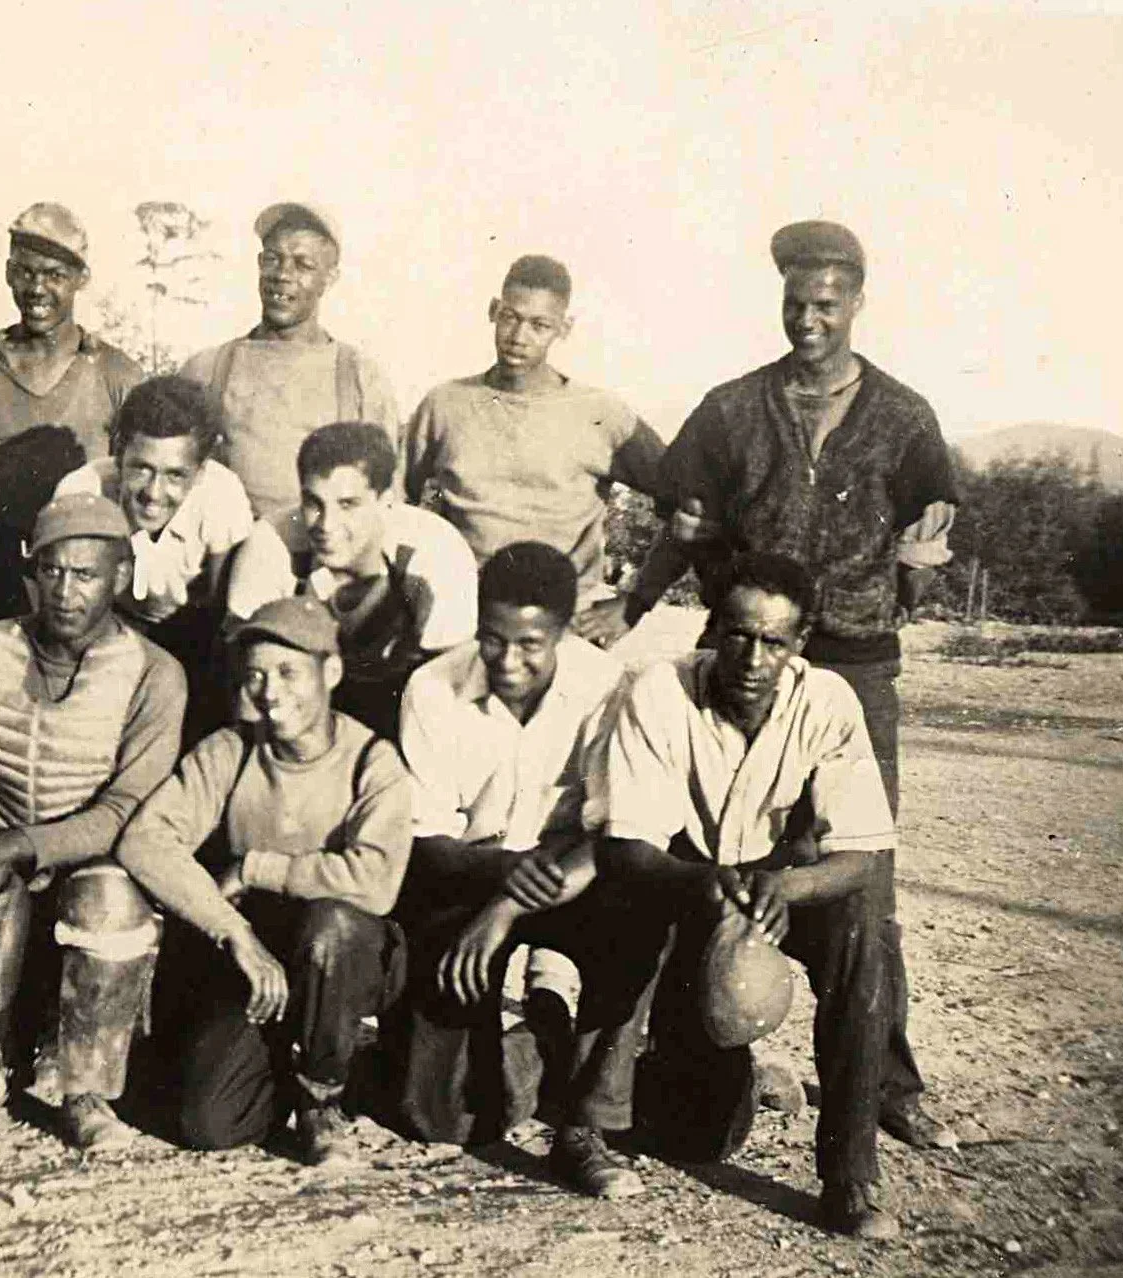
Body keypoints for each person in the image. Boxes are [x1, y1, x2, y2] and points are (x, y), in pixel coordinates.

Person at [622, 220, 961, 1153]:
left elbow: (926, 544)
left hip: (854, 658)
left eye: (827, 304)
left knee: (858, 878)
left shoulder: (905, 416)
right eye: (794, 303)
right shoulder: (732, 409)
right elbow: (683, 524)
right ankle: (677, 1054)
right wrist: (634, 603)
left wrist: (912, 568)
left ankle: (882, 1080)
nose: (808, 320)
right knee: (714, 852)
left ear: (857, 302)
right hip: (742, 655)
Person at [594, 552, 900, 1238]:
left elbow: (860, 852)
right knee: (698, 1135)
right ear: (712, 628)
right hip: (688, 882)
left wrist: (788, 886)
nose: (752, 659)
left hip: (778, 885)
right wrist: (700, 884)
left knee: (861, 928)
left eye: (773, 642)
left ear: (800, 644)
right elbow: (627, 844)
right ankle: (593, 1122)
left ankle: (850, 1172)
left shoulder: (827, 700)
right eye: (737, 634)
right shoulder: (660, 689)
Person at [383, 541, 660, 1198]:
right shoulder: (431, 687)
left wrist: (508, 908)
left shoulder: (608, 689)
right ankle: (540, 1040)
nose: (509, 662)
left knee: (636, 912)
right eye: (492, 639)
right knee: (443, 1120)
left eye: (531, 644)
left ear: (564, 631)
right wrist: (500, 884)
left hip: (570, 880)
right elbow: (428, 841)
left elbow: (616, 833)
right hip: (467, 874)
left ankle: (586, 1120)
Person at [0, 493, 187, 1151]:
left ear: (119, 577)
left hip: (87, 864)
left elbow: (125, 813)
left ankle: (85, 1090)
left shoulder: (154, 673)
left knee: (109, 898)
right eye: (52, 571)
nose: (65, 592)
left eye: (86, 575)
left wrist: (20, 845)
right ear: (32, 570)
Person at [115, 597, 412, 1165]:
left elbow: (375, 883)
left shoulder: (372, 761)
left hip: (347, 957)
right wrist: (234, 934)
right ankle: (286, 1061)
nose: (270, 692)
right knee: (209, 1123)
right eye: (255, 675)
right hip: (261, 959)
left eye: (287, 673)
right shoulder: (232, 750)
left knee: (334, 927)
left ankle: (322, 1095)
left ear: (331, 672)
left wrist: (256, 868)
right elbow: (145, 841)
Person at [0, 202, 146, 746]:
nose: (37, 288)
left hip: (73, 567)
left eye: (54, 275)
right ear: (7, 272)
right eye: (24, 271)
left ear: (80, 280)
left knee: (71, 723)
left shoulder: (116, 373)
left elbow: (130, 486)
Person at [402, 255, 668, 644]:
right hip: (460, 614)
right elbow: (392, 501)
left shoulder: (601, 414)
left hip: (563, 622)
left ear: (564, 327)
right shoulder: (445, 404)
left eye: (539, 325)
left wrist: (635, 603)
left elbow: (685, 497)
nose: (519, 336)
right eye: (510, 317)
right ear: (493, 311)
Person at [225, 422, 477, 740]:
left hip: (404, 717)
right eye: (313, 503)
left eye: (347, 505)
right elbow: (248, 691)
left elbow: (452, 689)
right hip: (300, 716)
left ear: (386, 500)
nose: (327, 525)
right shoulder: (272, 540)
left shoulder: (436, 550)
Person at [56, 375, 256, 746]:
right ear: (118, 453)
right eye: (141, 468)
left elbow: (222, 607)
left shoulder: (221, 495)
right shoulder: (82, 491)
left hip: (193, 634)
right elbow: (69, 603)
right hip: (106, 630)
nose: (153, 493)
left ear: (200, 471)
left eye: (175, 475)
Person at [182, 202, 399, 517]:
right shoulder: (206, 370)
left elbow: (386, 500)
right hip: (225, 554)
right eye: (272, 259)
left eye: (303, 265)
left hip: (321, 556)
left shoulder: (361, 378)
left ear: (330, 277)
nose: (283, 275)